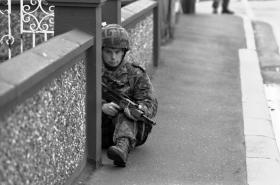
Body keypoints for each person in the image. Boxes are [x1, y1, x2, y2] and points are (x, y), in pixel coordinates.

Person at [101, 24, 158, 167]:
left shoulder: (135, 73)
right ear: (101, 51)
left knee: (126, 114)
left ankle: (122, 148)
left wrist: (139, 109)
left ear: (124, 52)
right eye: (108, 52)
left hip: (134, 132)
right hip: (102, 129)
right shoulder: (93, 70)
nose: (113, 57)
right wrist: (101, 107)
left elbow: (150, 103)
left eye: (117, 52)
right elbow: (79, 99)